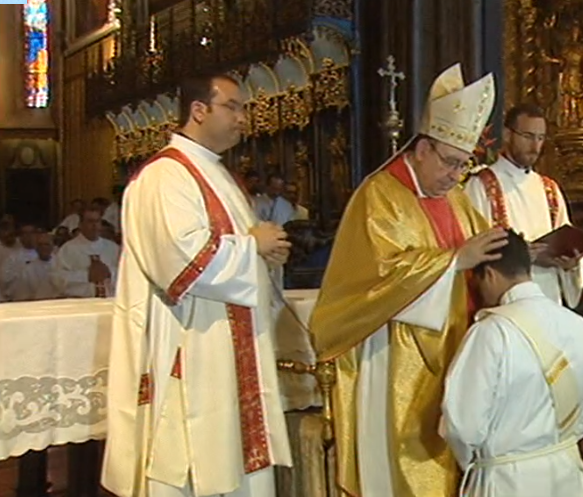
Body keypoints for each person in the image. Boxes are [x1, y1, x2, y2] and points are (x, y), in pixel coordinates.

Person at [308, 63, 501, 497]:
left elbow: (475, 250)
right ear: (422, 149)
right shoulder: (379, 194)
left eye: (463, 166)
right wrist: (454, 261)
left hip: (454, 346)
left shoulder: (453, 197)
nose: (455, 176)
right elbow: (379, 277)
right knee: (400, 463)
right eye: (450, 163)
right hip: (396, 354)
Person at [101, 73, 294, 497]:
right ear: (198, 110)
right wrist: (251, 248)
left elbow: (239, 254)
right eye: (233, 106)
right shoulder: (164, 176)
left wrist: (266, 257)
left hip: (225, 348)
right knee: (191, 466)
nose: (244, 118)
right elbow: (180, 265)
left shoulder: (219, 175)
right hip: (192, 346)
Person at [441, 229, 583, 496]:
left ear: (489, 274)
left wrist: (476, 462)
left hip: (507, 480)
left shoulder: (491, 332)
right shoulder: (579, 325)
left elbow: (462, 426)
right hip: (567, 471)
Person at [464, 104, 583, 307]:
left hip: (548, 299)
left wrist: (570, 264)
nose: (535, 146)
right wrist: (518, 255)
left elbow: (566, 238)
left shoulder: (549, 189)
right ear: (507, 135)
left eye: (540, 138)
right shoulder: (482, 184)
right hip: (506, 301)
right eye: (528, 136)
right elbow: (470, 244)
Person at [52, 208, 120, 298]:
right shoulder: (68, 249)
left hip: (109, 300)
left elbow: (125, 274)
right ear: (80, 225)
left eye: (97, 221)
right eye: (90, 221)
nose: (94, 225)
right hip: (80, 301)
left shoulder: (112, 248)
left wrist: (110, 273)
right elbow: (57, 279)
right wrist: (87, 276)